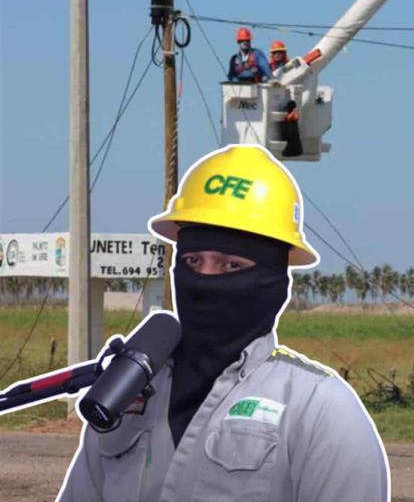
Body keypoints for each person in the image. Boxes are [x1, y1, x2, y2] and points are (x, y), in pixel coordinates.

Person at [58, 145, 389, 501]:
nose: (204, 280)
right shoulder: (127, 394)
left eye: (231, 266)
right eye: (193, 261)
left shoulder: (321, 408)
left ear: (275, 282)